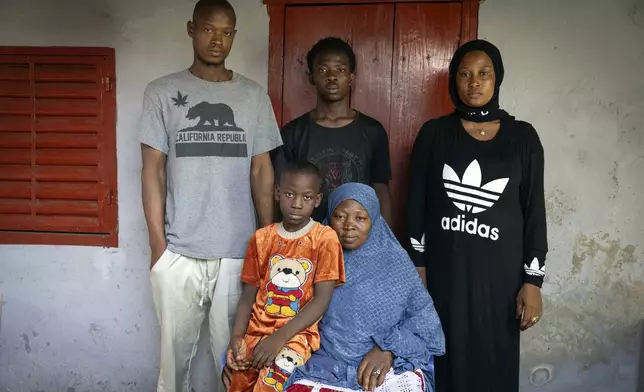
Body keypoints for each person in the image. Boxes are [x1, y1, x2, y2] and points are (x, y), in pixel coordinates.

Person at [139, 0, 282, 391]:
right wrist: (158, 246)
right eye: (208, 29)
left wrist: (267, 241)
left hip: (239, 253)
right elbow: (152, 169)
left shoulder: (253, 96)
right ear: (191, 29)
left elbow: (261, 171)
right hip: (179, 253)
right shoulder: (162, 93)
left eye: (226, 32)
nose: (217, 40)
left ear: (234, 35)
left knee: (237, 361)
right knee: (173, 366)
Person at [404, 40, 548, 392]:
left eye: (484, 73)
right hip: (444, 274)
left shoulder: (523, 138)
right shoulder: (434, 134)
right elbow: (416, 204)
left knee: (494, 363)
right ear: (454, 80)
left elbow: (534, 211)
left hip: (501, 280)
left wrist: (533, 282)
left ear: (497, 78)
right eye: (465, 74)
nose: (474, 83)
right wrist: (416, 269)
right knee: (442, 358)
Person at [286, 183, 445, 392]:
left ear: (375, 220)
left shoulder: (396, 263)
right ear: (329, 217)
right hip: (322, 366)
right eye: (340, 216)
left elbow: (427, 327)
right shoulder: (312, 259)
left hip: (385, 369)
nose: (349, 225)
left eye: (360, 218)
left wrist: (388, 350)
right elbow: (283, 310)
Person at [227, 161, 346, 392]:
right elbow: (247, 296)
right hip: (256, 331)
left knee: (272, 381)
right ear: (277, 193)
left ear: (318, 200)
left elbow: (322, 300)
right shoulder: (261, 239)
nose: (297, 204)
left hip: (296, 335)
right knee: (238, 382)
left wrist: (279, 338)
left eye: (307, 197)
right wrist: (237, 337)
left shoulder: (324, 238)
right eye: (290, 194)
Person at [273, 37, 393, 225]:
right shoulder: (292, 133)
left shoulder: (372, 131)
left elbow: (381, 190)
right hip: (307, 240)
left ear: (351, 77)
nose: (331, 76)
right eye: (322, 69)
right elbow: (282, 194)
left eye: (340, 69)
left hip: (357, 241)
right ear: (311, 77)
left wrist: (384, 240)